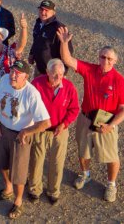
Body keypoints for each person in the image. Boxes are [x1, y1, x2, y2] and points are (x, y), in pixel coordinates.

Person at [57, 26, 124, 203]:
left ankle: (111, 184)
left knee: (111, 155)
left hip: (106, 122)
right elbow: (67, 60)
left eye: (109, 58)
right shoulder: (90, 70)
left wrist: (111, 125)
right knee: (83, 150)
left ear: (115, 61)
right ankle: (85, 174)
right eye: (102, 57)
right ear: (98, 57)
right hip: (85, 118)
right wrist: (64, 43)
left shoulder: (119, 80)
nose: (105, 61)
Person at [0, 60, 51, 219]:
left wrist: (26, 132)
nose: (13, 75)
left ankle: (18, 202)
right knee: (1, 162)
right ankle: (8, 189)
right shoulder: (4, 80)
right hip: (2, 129)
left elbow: (45, 122)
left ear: (26, 76)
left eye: (18, 73)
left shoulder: (32, 94)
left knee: (19, 172)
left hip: (19, 136)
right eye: (12, 71)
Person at [27, 58, 80, 205]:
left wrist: (64, 124)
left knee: (57, 162)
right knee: (36, 160)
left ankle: (53, 191)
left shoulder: (69, 87)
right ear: (47, 72)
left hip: (60, 130)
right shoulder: (37, 84)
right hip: (40, 129)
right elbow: (29, 105)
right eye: (54, 74)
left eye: (61, 74)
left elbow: (74, 109)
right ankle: (34, 189)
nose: (58, 78)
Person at [0, 17, 29, 155]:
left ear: (1, 36)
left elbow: (21, 45)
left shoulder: (11, 52)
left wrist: (24, 28)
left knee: (12, 128)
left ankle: (13, 158)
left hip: (13, 99)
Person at [29, 0, 69, 76]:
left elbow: (67, 52)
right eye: (41, 9)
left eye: (46, 10)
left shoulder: (59, 28)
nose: (43, 12)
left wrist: (62, 74)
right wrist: (32, 54)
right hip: (39, 69)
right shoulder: (38, 23)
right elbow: (36, 40)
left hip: (53, 73)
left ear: (53, 12)